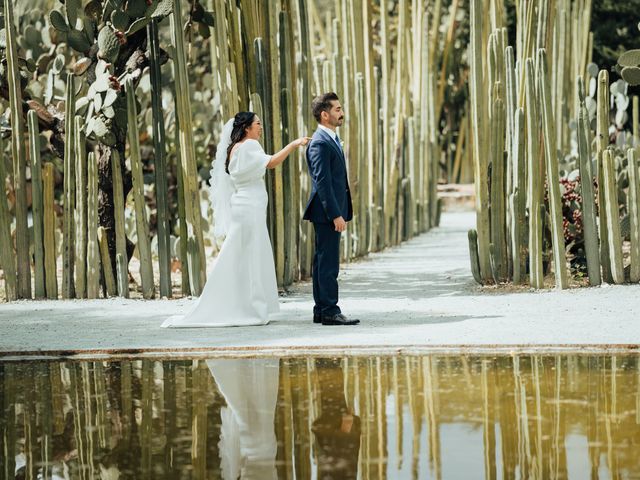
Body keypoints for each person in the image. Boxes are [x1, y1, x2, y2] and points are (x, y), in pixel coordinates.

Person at [162, 113, 310, 327]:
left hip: (244, 206)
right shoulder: (250, 145)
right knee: (252, 255)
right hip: (250, 207)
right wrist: (294, 144)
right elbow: (271, 163)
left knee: (242, 254)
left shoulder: (235, 148)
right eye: (258, 124)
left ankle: (242, 303)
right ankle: (254, 308)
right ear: (247, 127)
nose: (261, 127)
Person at [303, 93, 359, 326]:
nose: (341, 112)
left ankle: (321, 310)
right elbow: (322, 182)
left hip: (330, 210)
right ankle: (329, 310)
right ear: (324, 115)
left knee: (323, 260)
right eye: (336, 109)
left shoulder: (331, 139)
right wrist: (335, 214)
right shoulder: (319, 143)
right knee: (328, 263)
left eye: (341, 107)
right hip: (326, 212)